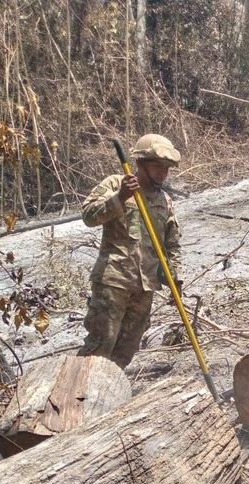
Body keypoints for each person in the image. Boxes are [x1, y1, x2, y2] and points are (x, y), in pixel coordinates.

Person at [77, 134, 183, 370]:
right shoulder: (117, 184)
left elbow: (172, 244)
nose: (162, 173)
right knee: (100, 344)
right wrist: (120, 197)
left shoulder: (165, 200)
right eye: (157, 166)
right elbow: (88, 217)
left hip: (145, 286)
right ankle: (76, 395)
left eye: (166, 169)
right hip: (113, 281)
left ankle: (106, 395)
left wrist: (176, 279)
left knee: (126, 349)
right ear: (140, 164)